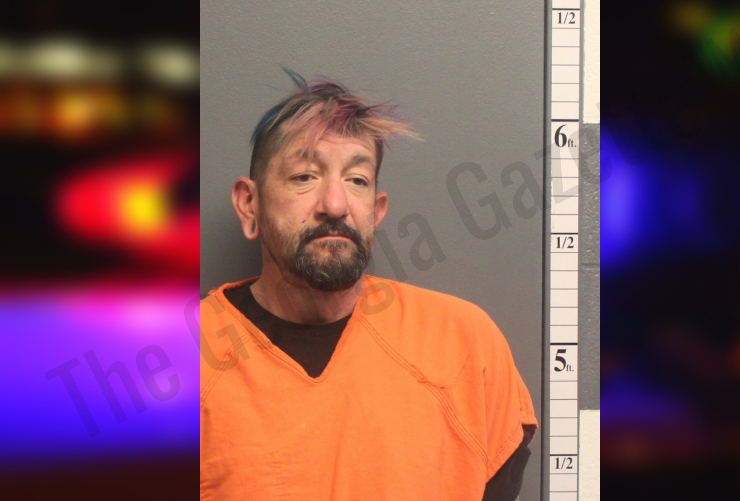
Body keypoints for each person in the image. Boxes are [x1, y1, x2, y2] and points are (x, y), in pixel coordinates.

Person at [200, 70, 538, 500]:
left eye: (357, 180)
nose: (335, 204)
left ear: (376, 212)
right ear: (250, 205)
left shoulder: (465, 344)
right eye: (304, 176)